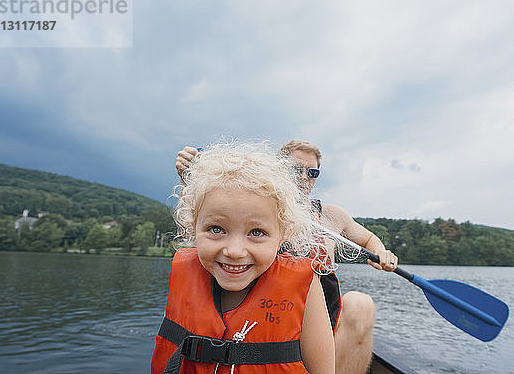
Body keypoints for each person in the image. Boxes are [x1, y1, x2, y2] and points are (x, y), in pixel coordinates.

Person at [176, 141, 398, 374]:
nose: (304, 177)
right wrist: (189, 180)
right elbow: (198, 231)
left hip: (322, 314)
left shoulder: (333, 216)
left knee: (361, 304)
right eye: (295, 170)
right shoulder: (258, 209)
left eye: (312, 172)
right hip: (274, 316)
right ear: (278, 170)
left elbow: (368, 238)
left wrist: (381, 252)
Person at [152, 142, 335, 374]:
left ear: (283, 234)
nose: (235, 251)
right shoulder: (187, 272)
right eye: (217, 229)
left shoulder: (307, 288)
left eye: (256, 232)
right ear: (193, 225)